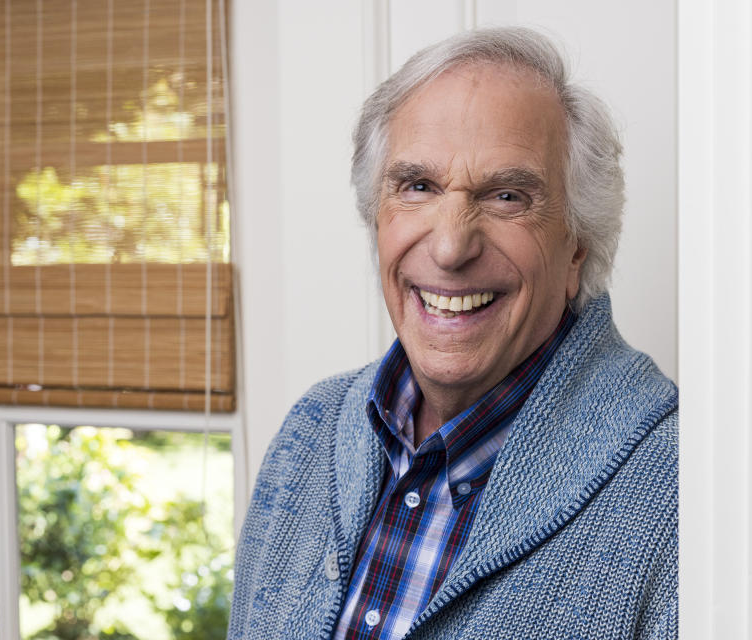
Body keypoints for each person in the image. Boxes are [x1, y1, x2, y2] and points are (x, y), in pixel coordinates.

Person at [228, 26, 677, 640]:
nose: (449, 244)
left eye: (507, 196)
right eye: (417, 187)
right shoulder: (310, 431)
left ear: (577, 247)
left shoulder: (682, 486)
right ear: (376, 217)